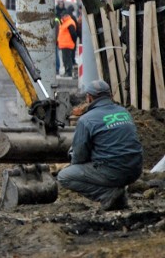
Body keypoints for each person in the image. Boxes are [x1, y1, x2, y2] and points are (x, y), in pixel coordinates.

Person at [57, 80, 143, 211]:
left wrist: (74, 162)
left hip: (113, 172)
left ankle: (107, 195)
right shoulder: (124, 112)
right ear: (110, 95)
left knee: (64, 176)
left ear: (89, 97)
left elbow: (79, 155)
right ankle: (119, 195)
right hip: (136, 170)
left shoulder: (86, 119)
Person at [57, 9, 77, 77]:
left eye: (62, 16)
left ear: (66, 16)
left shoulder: (70, 23)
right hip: (64, 44)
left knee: (67, 59)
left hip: (67, 44)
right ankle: (67, 72)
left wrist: (73, 42)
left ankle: (69, 73)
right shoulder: (65, 22)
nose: (61, 17)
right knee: (65, 59)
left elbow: (73, 34)